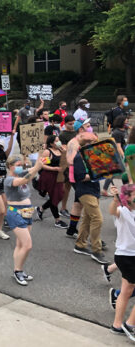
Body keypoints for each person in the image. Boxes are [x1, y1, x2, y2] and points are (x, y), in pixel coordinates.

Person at [5, 154, 45, 286]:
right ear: (10, 167)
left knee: (20, 245)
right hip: (15, 213)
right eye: (17, 165)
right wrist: (37, 167)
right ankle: (18, 271)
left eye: (20, 165)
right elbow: (22, 181)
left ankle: (18, 269)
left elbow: (30, 173)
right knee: (28, 245)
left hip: (27, 212)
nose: (20, 167)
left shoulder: (21, 173)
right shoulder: (9, 179)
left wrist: (38, 164)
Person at [73, 134, 109, 265]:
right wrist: (98, 172)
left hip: (93, 190)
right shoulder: (79, 157)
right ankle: (96, 250)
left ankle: (80, 244)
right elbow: (81, 177)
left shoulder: (91, 156)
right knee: (97, 219)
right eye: (91, 143)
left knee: (88, 218)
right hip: (85, 191)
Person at [108, 183, 135, 336]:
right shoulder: (123, 212)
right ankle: (130, 325)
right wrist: (114, 200)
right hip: (125, 256)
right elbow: (113, 211)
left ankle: (117, 325)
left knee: (125, 291)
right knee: (127, 290)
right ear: (128, 199)